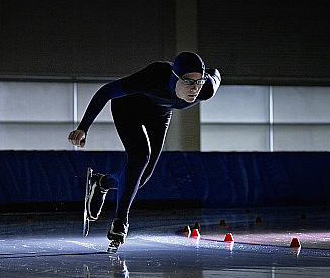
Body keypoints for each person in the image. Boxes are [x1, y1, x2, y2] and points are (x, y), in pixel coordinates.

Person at [68, 51, 221, 245]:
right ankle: (120, 222)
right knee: (140, 156)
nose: (194, 88)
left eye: (199, 81)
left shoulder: (206, 89)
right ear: (174, 77)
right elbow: (106, 92)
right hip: (128, 107)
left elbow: (215, 74)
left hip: (160, 115)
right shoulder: (153, 76)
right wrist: (83, 127)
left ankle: (102, 182)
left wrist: (205, 77)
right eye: (188, 81)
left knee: (141, 178)